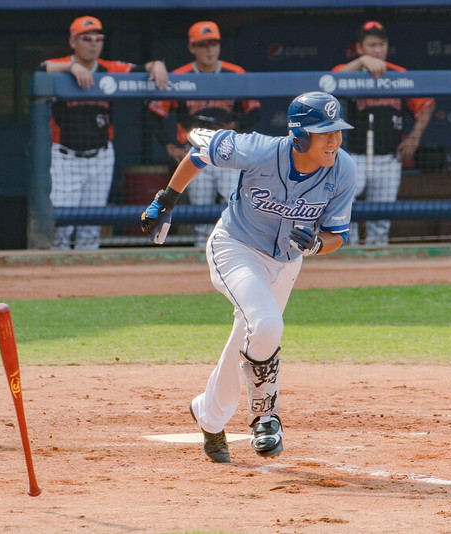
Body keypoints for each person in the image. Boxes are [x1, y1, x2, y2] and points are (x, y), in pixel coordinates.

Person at [140, 92, 356, 462]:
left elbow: (339, 236)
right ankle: (265, 417)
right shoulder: (258, 151)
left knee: (251, 333)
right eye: (325, 134)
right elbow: (198, 155)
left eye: (337, 132)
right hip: (235, 249)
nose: (335, 141)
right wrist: (167, 199)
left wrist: (317, 245)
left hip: (287, 262)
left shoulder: (343, 169)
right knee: (267, 324)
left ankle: (209, 414)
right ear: (300, 136)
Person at [39, 16, 168, 250]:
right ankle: (56, 280)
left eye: (98, 38)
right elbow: (40, 69)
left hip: (100, 156)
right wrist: (71, 67)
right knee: (60, 225)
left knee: (92, 226)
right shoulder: (60, 65)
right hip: (65, 157)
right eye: (86, 38)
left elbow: (141, 68)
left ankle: (87, 283)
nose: (93, 43)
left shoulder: (110, 68)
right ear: (73, 41)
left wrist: (156, 64)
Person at [147, 21, 261, 248]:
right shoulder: (179, 76)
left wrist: (236, 122)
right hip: (194, 153)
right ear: (192, 47)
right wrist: (169, 145)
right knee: (200, 214)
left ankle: (234, 253)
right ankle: (201, 258)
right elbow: (154, 114)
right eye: (203, 44)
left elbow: (254, 111)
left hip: (228, 152)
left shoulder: (235, 73)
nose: (209, 49)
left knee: (235, 208)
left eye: (213, 43)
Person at [332, 21, 435, 246]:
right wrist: (360, 62)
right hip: (354, 158)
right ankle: (350, 255)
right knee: (346, 211)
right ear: (360, 48)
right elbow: (329, 82)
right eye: (371, 45)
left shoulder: (398, 74)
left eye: (382, 44)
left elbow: (427, 103)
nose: (378, 49)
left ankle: (377, 257)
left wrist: (414, 137)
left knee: (381, 217)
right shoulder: (348, 73)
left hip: (388, 158)